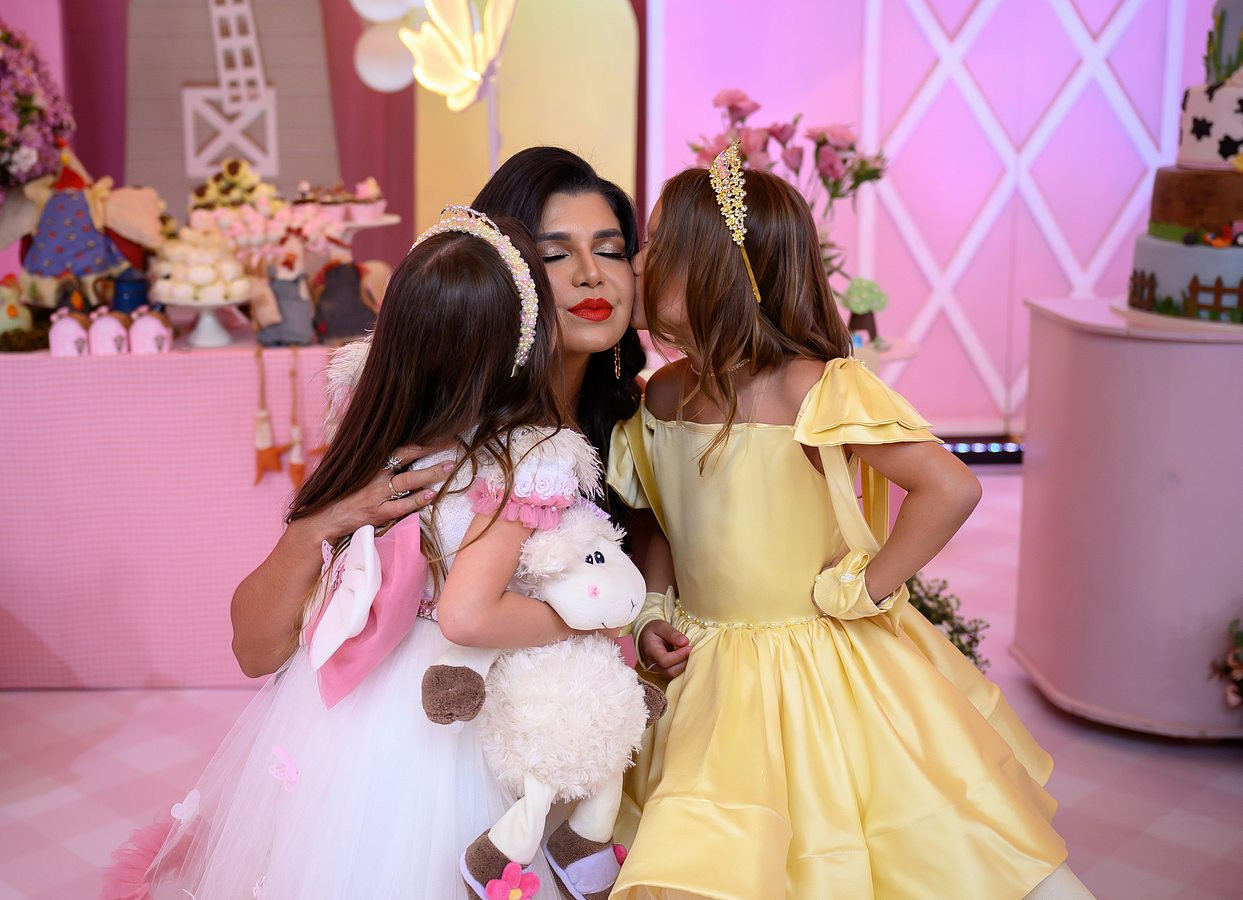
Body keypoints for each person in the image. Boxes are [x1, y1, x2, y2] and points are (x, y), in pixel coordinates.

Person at [608, 144, 1091, 898]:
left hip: (814, 664)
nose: (637, 263)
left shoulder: (812, 388)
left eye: (658, 245)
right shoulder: (663, 393)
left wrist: (865, 586)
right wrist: (653, 608)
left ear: (715, 272)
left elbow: (948, 487)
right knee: (719, 845)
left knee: (835, 825)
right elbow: (661, 520)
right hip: (704, 668)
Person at [107, 207, 608, 898]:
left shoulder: (404, 441)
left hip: (358, 714)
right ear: (521, 342)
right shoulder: (522, 457)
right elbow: (263, 646)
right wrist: (583, 620)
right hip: (454, 706)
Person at [230, 147, 646, 680]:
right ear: (496, 272)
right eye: (555, 255)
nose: (591, 274)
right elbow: (255, 651)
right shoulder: (433, 420)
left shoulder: (637, 417)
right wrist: (322, 524)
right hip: (431, 714)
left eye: (610, 251)